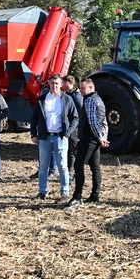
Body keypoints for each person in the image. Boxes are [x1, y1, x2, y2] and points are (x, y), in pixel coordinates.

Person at [30, 74, 79, 203]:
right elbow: (34, 118)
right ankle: (42, 192)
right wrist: (34, 134)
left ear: (61, 84)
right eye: (52, 83)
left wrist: (67, 133)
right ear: (49, 84)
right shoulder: (42, 99)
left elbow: (75, 117)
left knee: (63, 166)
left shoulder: (67, 99)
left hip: (60, 138)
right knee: (43, 166)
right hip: (45, 138)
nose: (54, 86)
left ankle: (65, 193)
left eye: (57, 83)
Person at [65, 78, 109, 208]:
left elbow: (93, 122)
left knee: (79, 165)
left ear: (90, 88)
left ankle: (77, 196)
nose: (81, 90)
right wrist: (103, 137)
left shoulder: (89, 100)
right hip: (96, 139)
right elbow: (104, 122)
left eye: (83, 88)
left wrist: (100, 138)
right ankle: (95, 196)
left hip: (89, 138)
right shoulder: (99, 100)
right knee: (95, 167)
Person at [62, 75, 83, 183]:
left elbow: (80, 114)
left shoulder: (76, 96)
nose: (61, 85)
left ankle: (73, 174)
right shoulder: (69, 95)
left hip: (74, 128)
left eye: (62, 83)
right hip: (69, 127)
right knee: (68, 151)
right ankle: (69, 172)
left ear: (67, 83)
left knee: (73, 152)